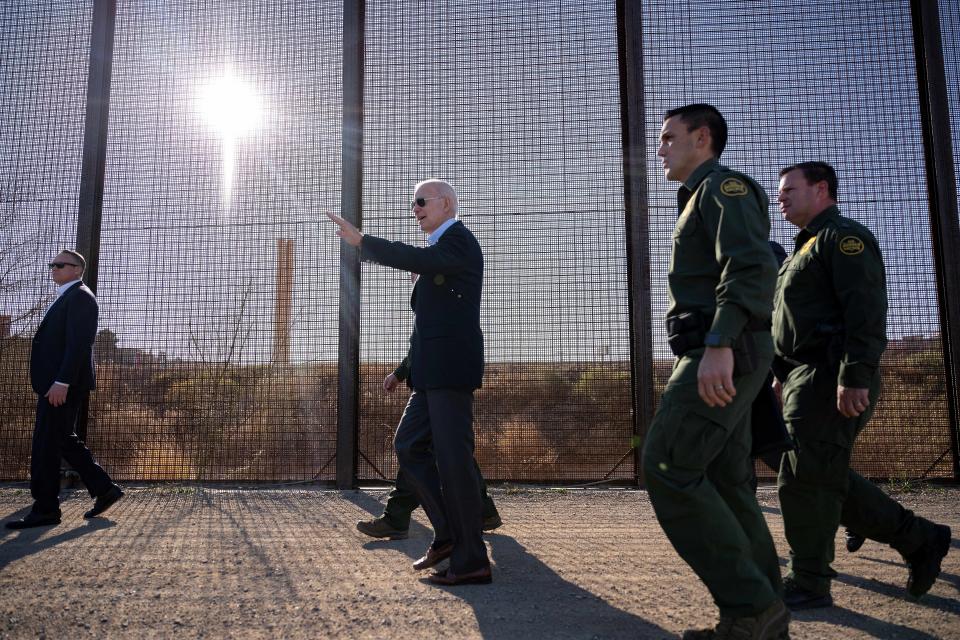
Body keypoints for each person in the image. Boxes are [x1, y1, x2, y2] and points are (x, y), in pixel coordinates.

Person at [773, 161, 951, 609]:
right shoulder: (799, 250)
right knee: (813, 473)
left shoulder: (842, 238)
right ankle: (920, 538)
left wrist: (854, 376)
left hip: (831, 373)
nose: (782, 198)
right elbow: (787, 324)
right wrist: (781, 374)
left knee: (805, 480)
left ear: (821, 190)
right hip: (803, 376)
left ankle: (810, 580)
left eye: (790, 189)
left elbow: (866, 312)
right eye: (780, 192)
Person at [642, 104, 789, 640]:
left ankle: (750, 607)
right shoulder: (697, 198)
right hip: (722, 348)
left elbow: (751, 265)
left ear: (702, 137)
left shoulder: (723, 188)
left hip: (725, 348)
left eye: (668, 138)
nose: (659, 149)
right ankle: (761, 615)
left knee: (667, 464)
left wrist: (720, 342)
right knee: (727, 481)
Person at [327, 179, 491, 586]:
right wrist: (403, 371)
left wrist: (364, 242)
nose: (414, 208)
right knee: (408, 446)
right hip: (429, 374)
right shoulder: (439, 251)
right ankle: (450, 535)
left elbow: (417, 260)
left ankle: (471, 559)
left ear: (447, 204)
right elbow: (428, 328)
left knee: (454, 461)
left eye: (421, 201)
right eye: (412, 203)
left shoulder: (458, 241)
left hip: (450, 372)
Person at [5, 250, 123, 530]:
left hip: (62, 385)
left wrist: (62, 382)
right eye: (52, 264)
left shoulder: (81, 297)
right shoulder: (66, 297)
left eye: (60, 265)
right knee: (60, 439)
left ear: (76, 269)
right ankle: (104, 488)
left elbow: (79, 345)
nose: (53, 268)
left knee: (46, 445)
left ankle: (46, 510)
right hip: (55, 384)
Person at [357, 356, 502, 540]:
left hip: (439, 380)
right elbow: (424, 340)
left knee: (418, 447)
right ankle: (483, 512)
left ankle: (400, 519)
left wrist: (400, 372)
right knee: (440, 449)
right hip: (442, 380)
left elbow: (427, 340)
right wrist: (401, 372)